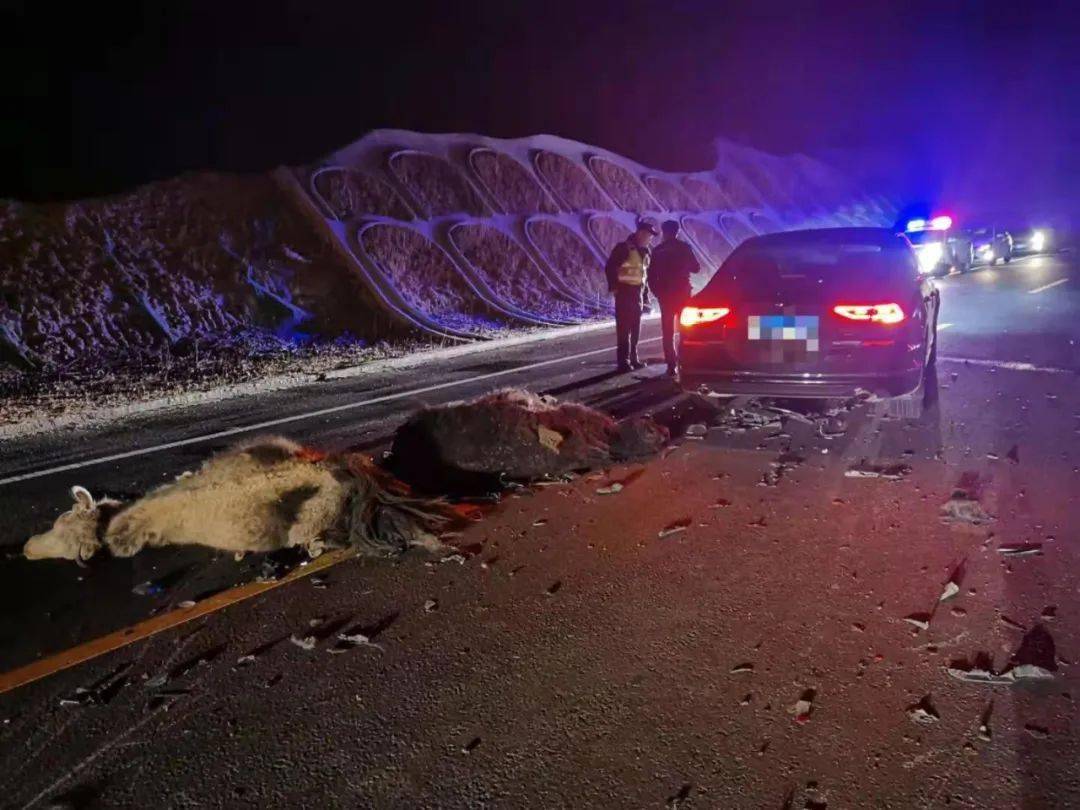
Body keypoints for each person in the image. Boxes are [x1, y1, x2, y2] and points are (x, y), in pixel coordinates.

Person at [647, 219, 700, 376]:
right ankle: (685, 361)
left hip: (665, 295)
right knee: (686, 329)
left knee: (667, 331)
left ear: (663, 232)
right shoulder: (684, 248)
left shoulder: (658, 250)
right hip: (683, 294)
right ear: (677, 232)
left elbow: (651, 275)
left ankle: (671, 365)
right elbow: (696, 268)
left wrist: (657, 292)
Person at [604, 218, 657, 372]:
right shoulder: (623, 248)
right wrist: (614, 287)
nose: (650, 239)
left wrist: (646, 297)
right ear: (640, 233)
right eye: (649, 235)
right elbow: (610, 267)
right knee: (624, 330)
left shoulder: (646, 252)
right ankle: (623, 362)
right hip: (624, 293)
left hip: (638, 295)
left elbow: (644, 276)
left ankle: (634, 358)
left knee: (635, 329)